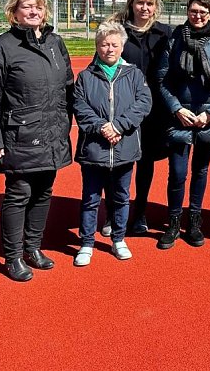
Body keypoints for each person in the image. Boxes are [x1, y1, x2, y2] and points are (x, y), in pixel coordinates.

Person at [0, 0, 74, 282]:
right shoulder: (1, 46)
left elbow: (69, 86)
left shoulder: (55, 43)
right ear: (14, 13)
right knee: (19, 193)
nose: (33, 11)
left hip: (53, 132)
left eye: (38, 6)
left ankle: (33, 247)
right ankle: (13, 256)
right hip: (19, 135)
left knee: (44, 191)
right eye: (27, 6)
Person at [156, 0, 210, 249]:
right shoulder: (174, 40)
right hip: (180, 117)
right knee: (177, 173)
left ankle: (195, 220)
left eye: (202, 12)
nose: (197, 16)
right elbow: (163, 80)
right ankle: (174, 221)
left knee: (201, 170)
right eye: (193, 11)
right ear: (187, 12)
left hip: (207, 118)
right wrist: (176, 109)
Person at [71, 22, 152, 266]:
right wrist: (101, 127)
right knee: (90, 199)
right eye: (104, 44)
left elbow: (143, 103)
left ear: (122, 47)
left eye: (114, 44)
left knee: (121, 197)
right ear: (97, 46)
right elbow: (79, 106)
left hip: (124, 147)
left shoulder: (134, 74)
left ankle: (118, 239)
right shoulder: (85, 76)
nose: (109, 49)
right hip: (94, 149)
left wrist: (119, 126)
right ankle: (86, 243)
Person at [105, 0, 172, 234]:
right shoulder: (118, 32)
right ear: (132, 4)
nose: (145, 7)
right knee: (118, 164)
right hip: (122, 109)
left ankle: (140, 212)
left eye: (150, 3)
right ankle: (113, 214)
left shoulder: (166, 34)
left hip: (154, 112)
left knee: (146, 163)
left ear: (156, 7)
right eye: (140, 2)